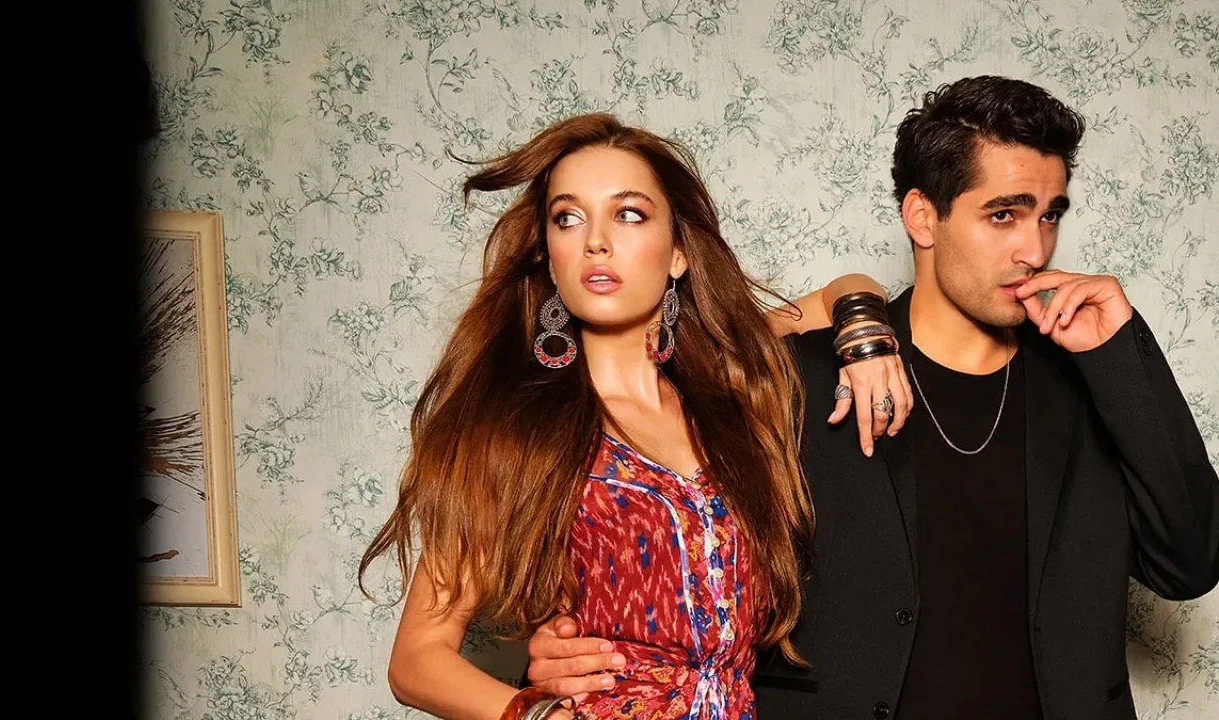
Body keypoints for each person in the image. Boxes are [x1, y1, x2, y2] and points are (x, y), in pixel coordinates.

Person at [522, 76, 1219, 719]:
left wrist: (1121, 352)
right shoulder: (798, 378)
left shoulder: (1093, 379)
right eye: (1003, 215)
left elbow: (1189, 566)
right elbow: (662, 532)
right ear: (922, 217)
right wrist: (567, 645)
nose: (1034, 249)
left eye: (1049, 215)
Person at [357, 112, 913, 720]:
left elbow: (840, 290)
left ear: (677, 254)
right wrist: (543, 716)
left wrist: (866, 336)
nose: (596, 241)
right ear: (549, 258)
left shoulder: (727, 386)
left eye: (628, 214)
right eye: (568, 218)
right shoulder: (517, 432)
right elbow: (416, 659)